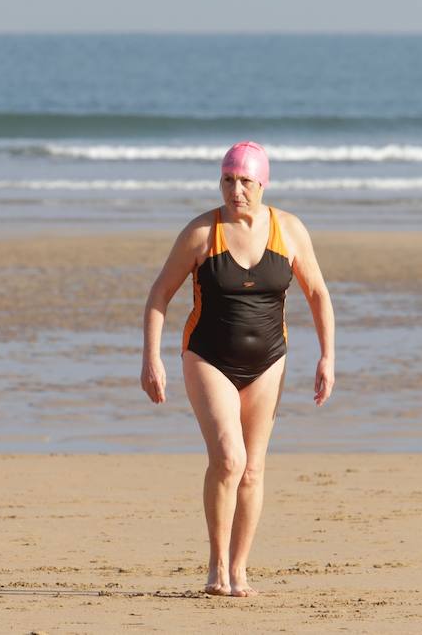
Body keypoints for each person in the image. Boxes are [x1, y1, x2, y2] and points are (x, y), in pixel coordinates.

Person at [141, 141, 335, 597]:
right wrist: (151, 357)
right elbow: (158, 297)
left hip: (269, 361)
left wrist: (328, 355)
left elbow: (319, 294)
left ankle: (240, 568)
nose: (236, 190)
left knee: (253, 469)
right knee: (229, 458)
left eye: (245, 181)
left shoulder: (288, 230)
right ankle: (216, 567)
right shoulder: (201, 233)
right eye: (227, 180)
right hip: (207, 356)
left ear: (263, 183)